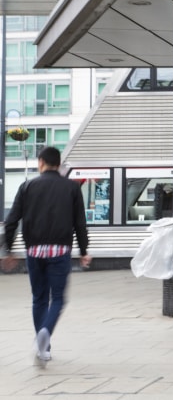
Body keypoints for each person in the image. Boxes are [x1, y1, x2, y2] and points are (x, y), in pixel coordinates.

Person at [1, 146, 91, 366]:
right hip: (60, 251)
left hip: (34, 251)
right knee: (58, 298)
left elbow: (11, 221)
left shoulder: (27, 186)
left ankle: (44, 349)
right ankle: (45, 332)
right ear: (58, 165)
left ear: (40, 162)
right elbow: (80, 223)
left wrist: (8, 250)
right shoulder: (71, 188)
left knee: (39, 298)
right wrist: (84, 251)